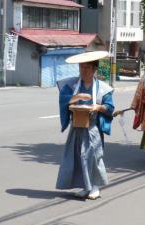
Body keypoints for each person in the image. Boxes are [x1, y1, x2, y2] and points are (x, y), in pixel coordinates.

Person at [56, 51, 114, 199]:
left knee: (94, 155)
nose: (83, 70)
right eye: (81, 67)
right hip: (76, 127)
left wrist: (98, 107)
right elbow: (64, 100)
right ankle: (85, 186)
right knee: (77, 156)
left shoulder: (103, 88)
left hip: (92, 127)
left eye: (87, 67)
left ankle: (95, 186)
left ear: (94, 69)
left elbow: (110, 107)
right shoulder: (72, 85)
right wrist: (77, 97)